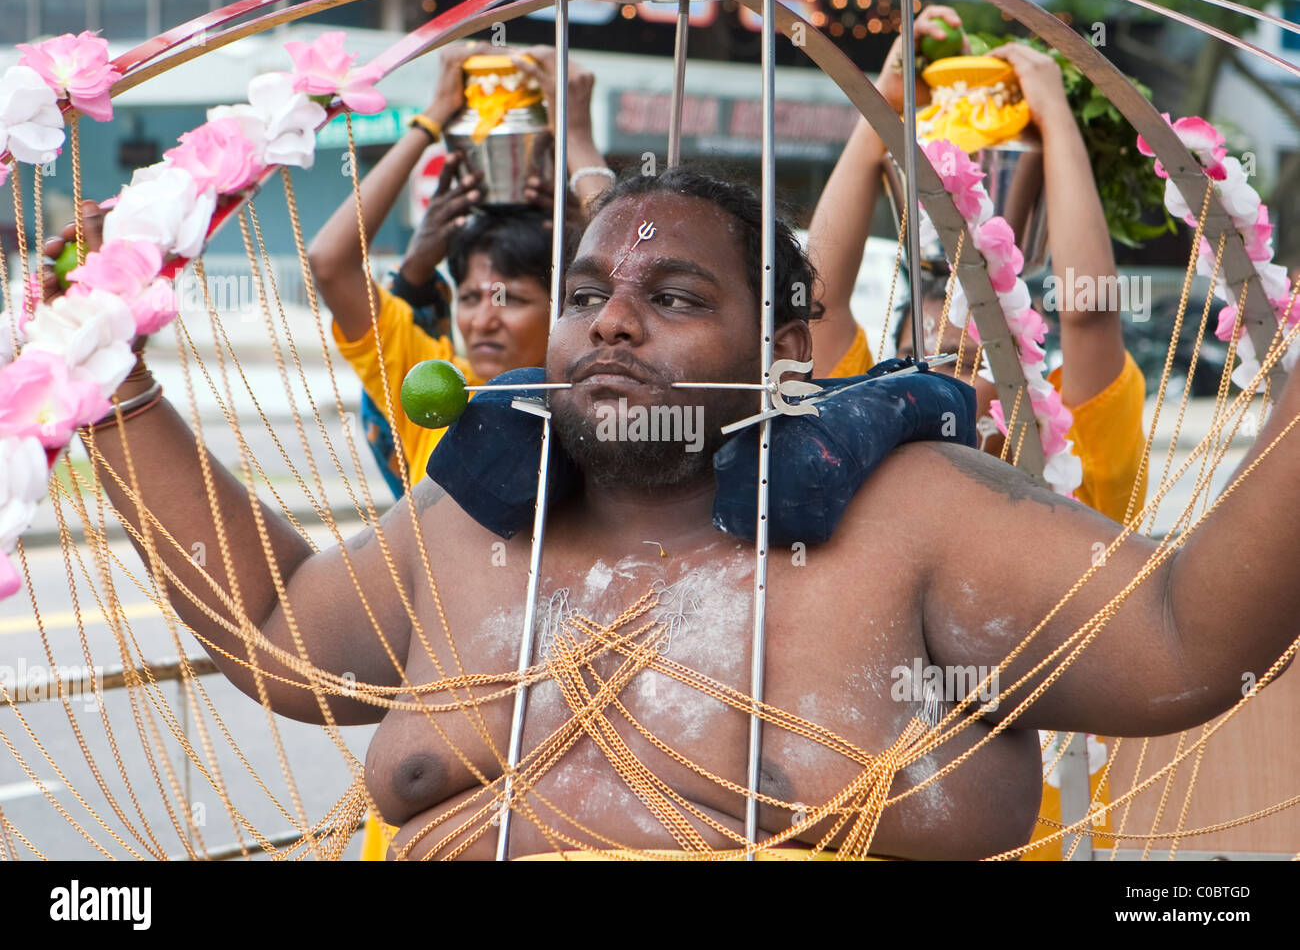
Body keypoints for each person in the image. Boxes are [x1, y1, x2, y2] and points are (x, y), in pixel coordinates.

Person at [68, 166, 1300, 860]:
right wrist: (112, 383)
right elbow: (280, 630)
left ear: (779, 347)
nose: (609, 321)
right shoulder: (477, 521)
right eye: (590, 289)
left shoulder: (916, 513)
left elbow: (1188, 643)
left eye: (672, 295)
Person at [807, 4, 1147, 523]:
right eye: (917, 362)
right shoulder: (858, 451)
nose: (931, 386)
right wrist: (886, 104)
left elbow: (1090, 310)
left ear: (1034, 392)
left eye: (968, 362)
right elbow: (817, 300)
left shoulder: (1079, 478)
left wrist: (1053, 116)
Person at [308, 42, 612, 496]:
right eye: (470, 297)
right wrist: (433, 117)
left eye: (513, 298)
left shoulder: (599, 392)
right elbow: (330, 262)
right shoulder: (434, 377)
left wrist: (578, 139)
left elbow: (628, 258)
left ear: (567, 308)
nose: (484, 319)